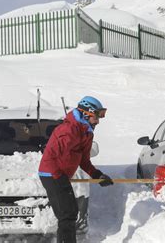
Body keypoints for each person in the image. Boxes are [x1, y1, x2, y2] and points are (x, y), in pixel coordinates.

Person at [38, 96, 113, 243]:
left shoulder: (87, 132)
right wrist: (59, 177)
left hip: (60, 175)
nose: (98, 121)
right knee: (68, 214)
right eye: (97, 116)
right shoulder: (68, 130)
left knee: (70, 213)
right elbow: (56, 157)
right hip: (52, 173)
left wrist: (98, 175)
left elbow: (84, 160)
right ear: (87, 113)